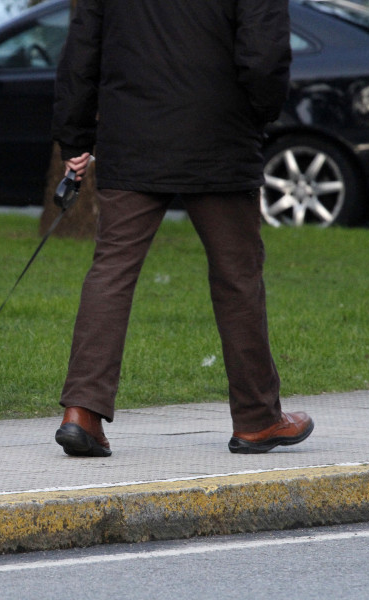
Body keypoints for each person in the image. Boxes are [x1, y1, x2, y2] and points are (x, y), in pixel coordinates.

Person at [51, 0, 313, 456]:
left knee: (112, 270)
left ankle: (82, 412)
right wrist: (260, 112)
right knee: (238, 277)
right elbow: (265, 53)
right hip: (220, 133)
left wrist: (74, 136)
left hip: (132, 133)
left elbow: (81, 50)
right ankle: (256, 419)